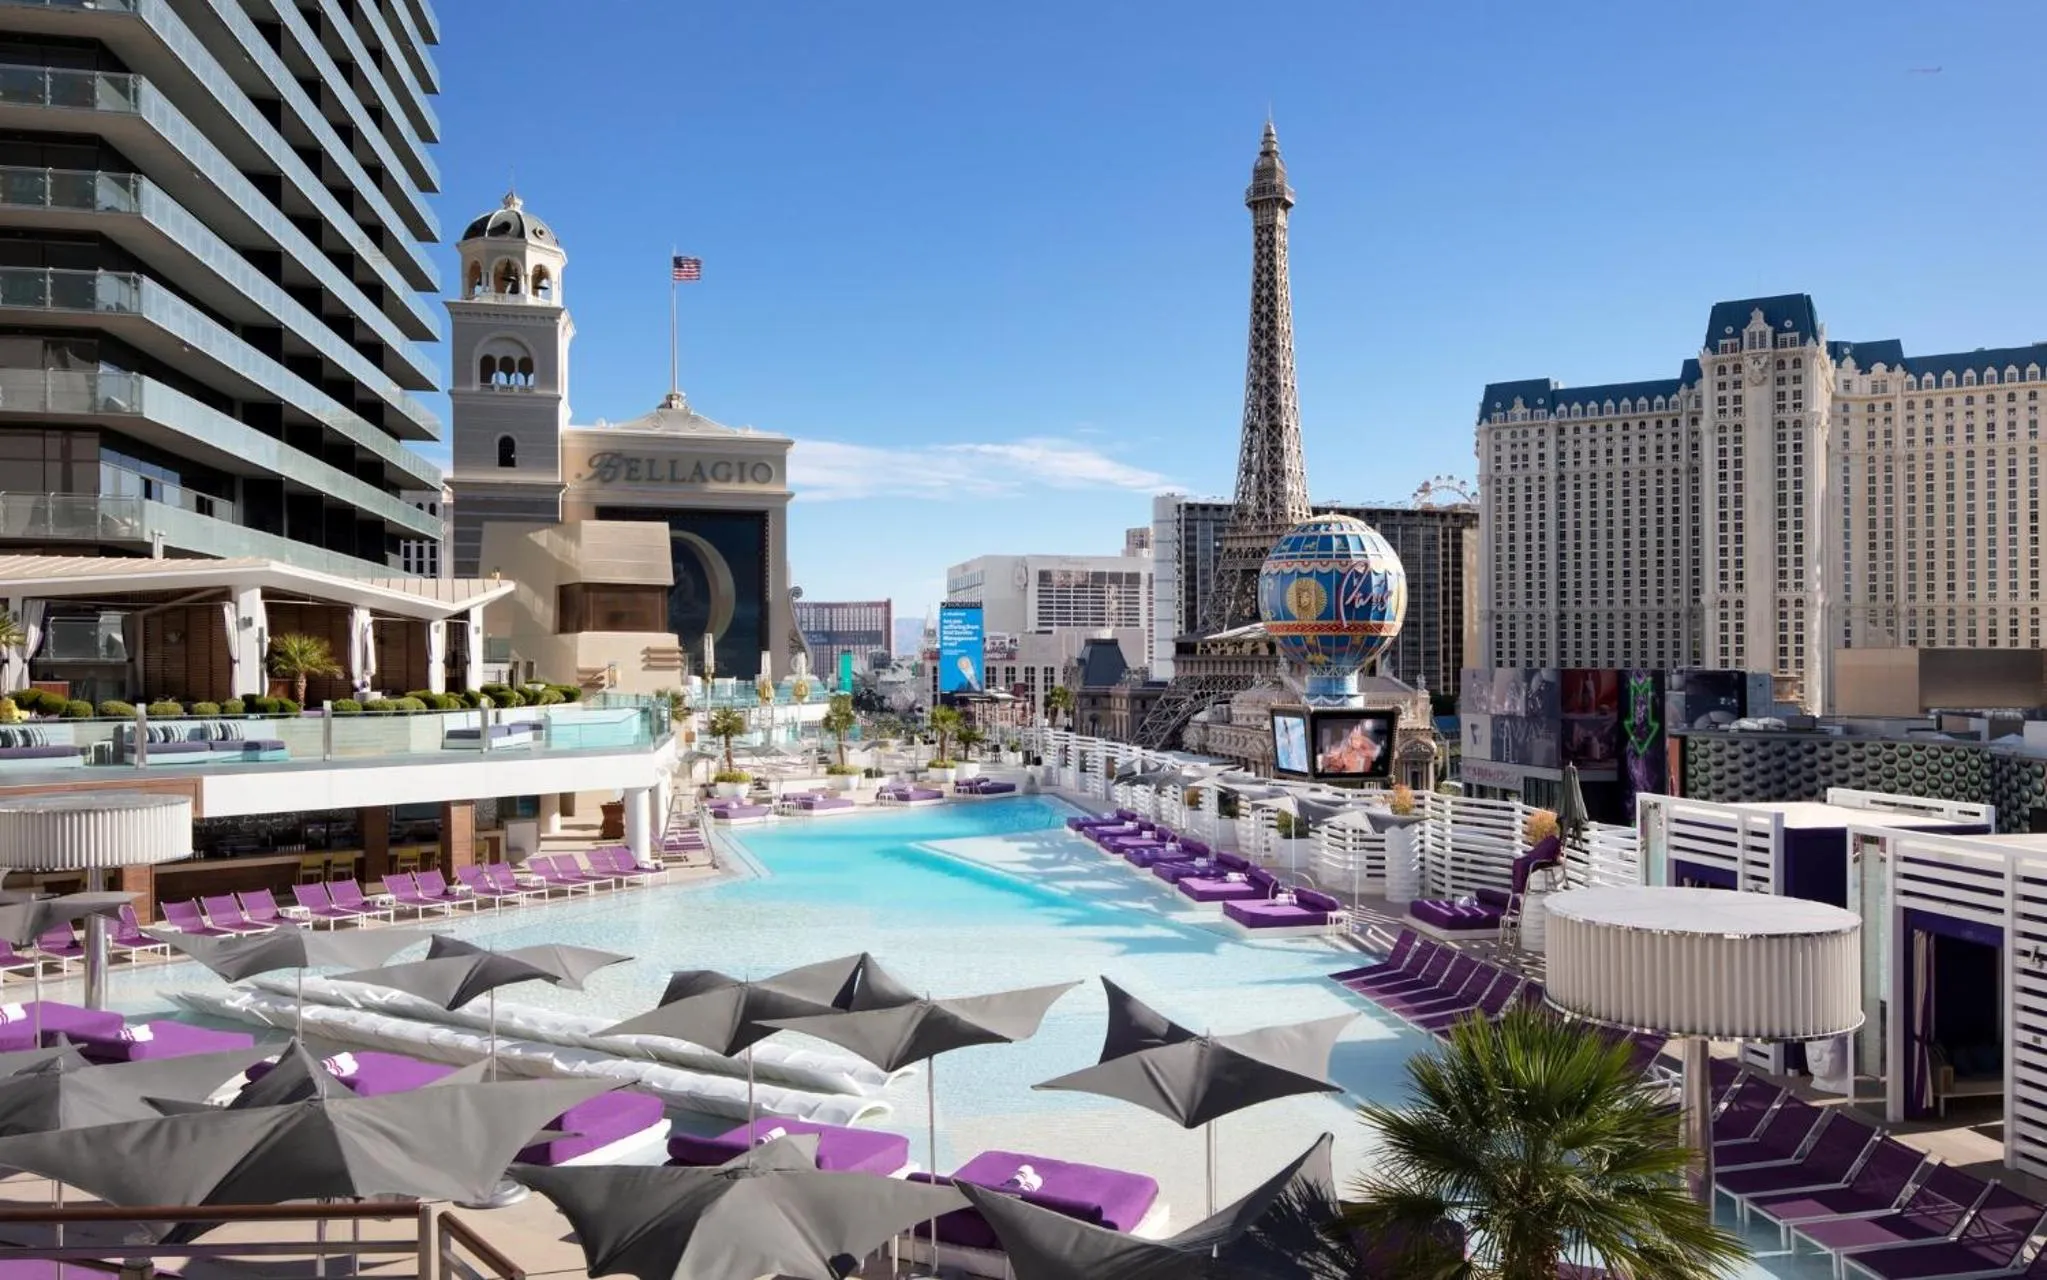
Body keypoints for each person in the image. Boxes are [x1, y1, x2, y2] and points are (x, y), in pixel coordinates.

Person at [1317, 721, 1383, 775]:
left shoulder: (1347, 744)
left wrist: (1359, 741)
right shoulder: (1351, 768)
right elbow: (1373, 754)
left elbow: (1374, 751)